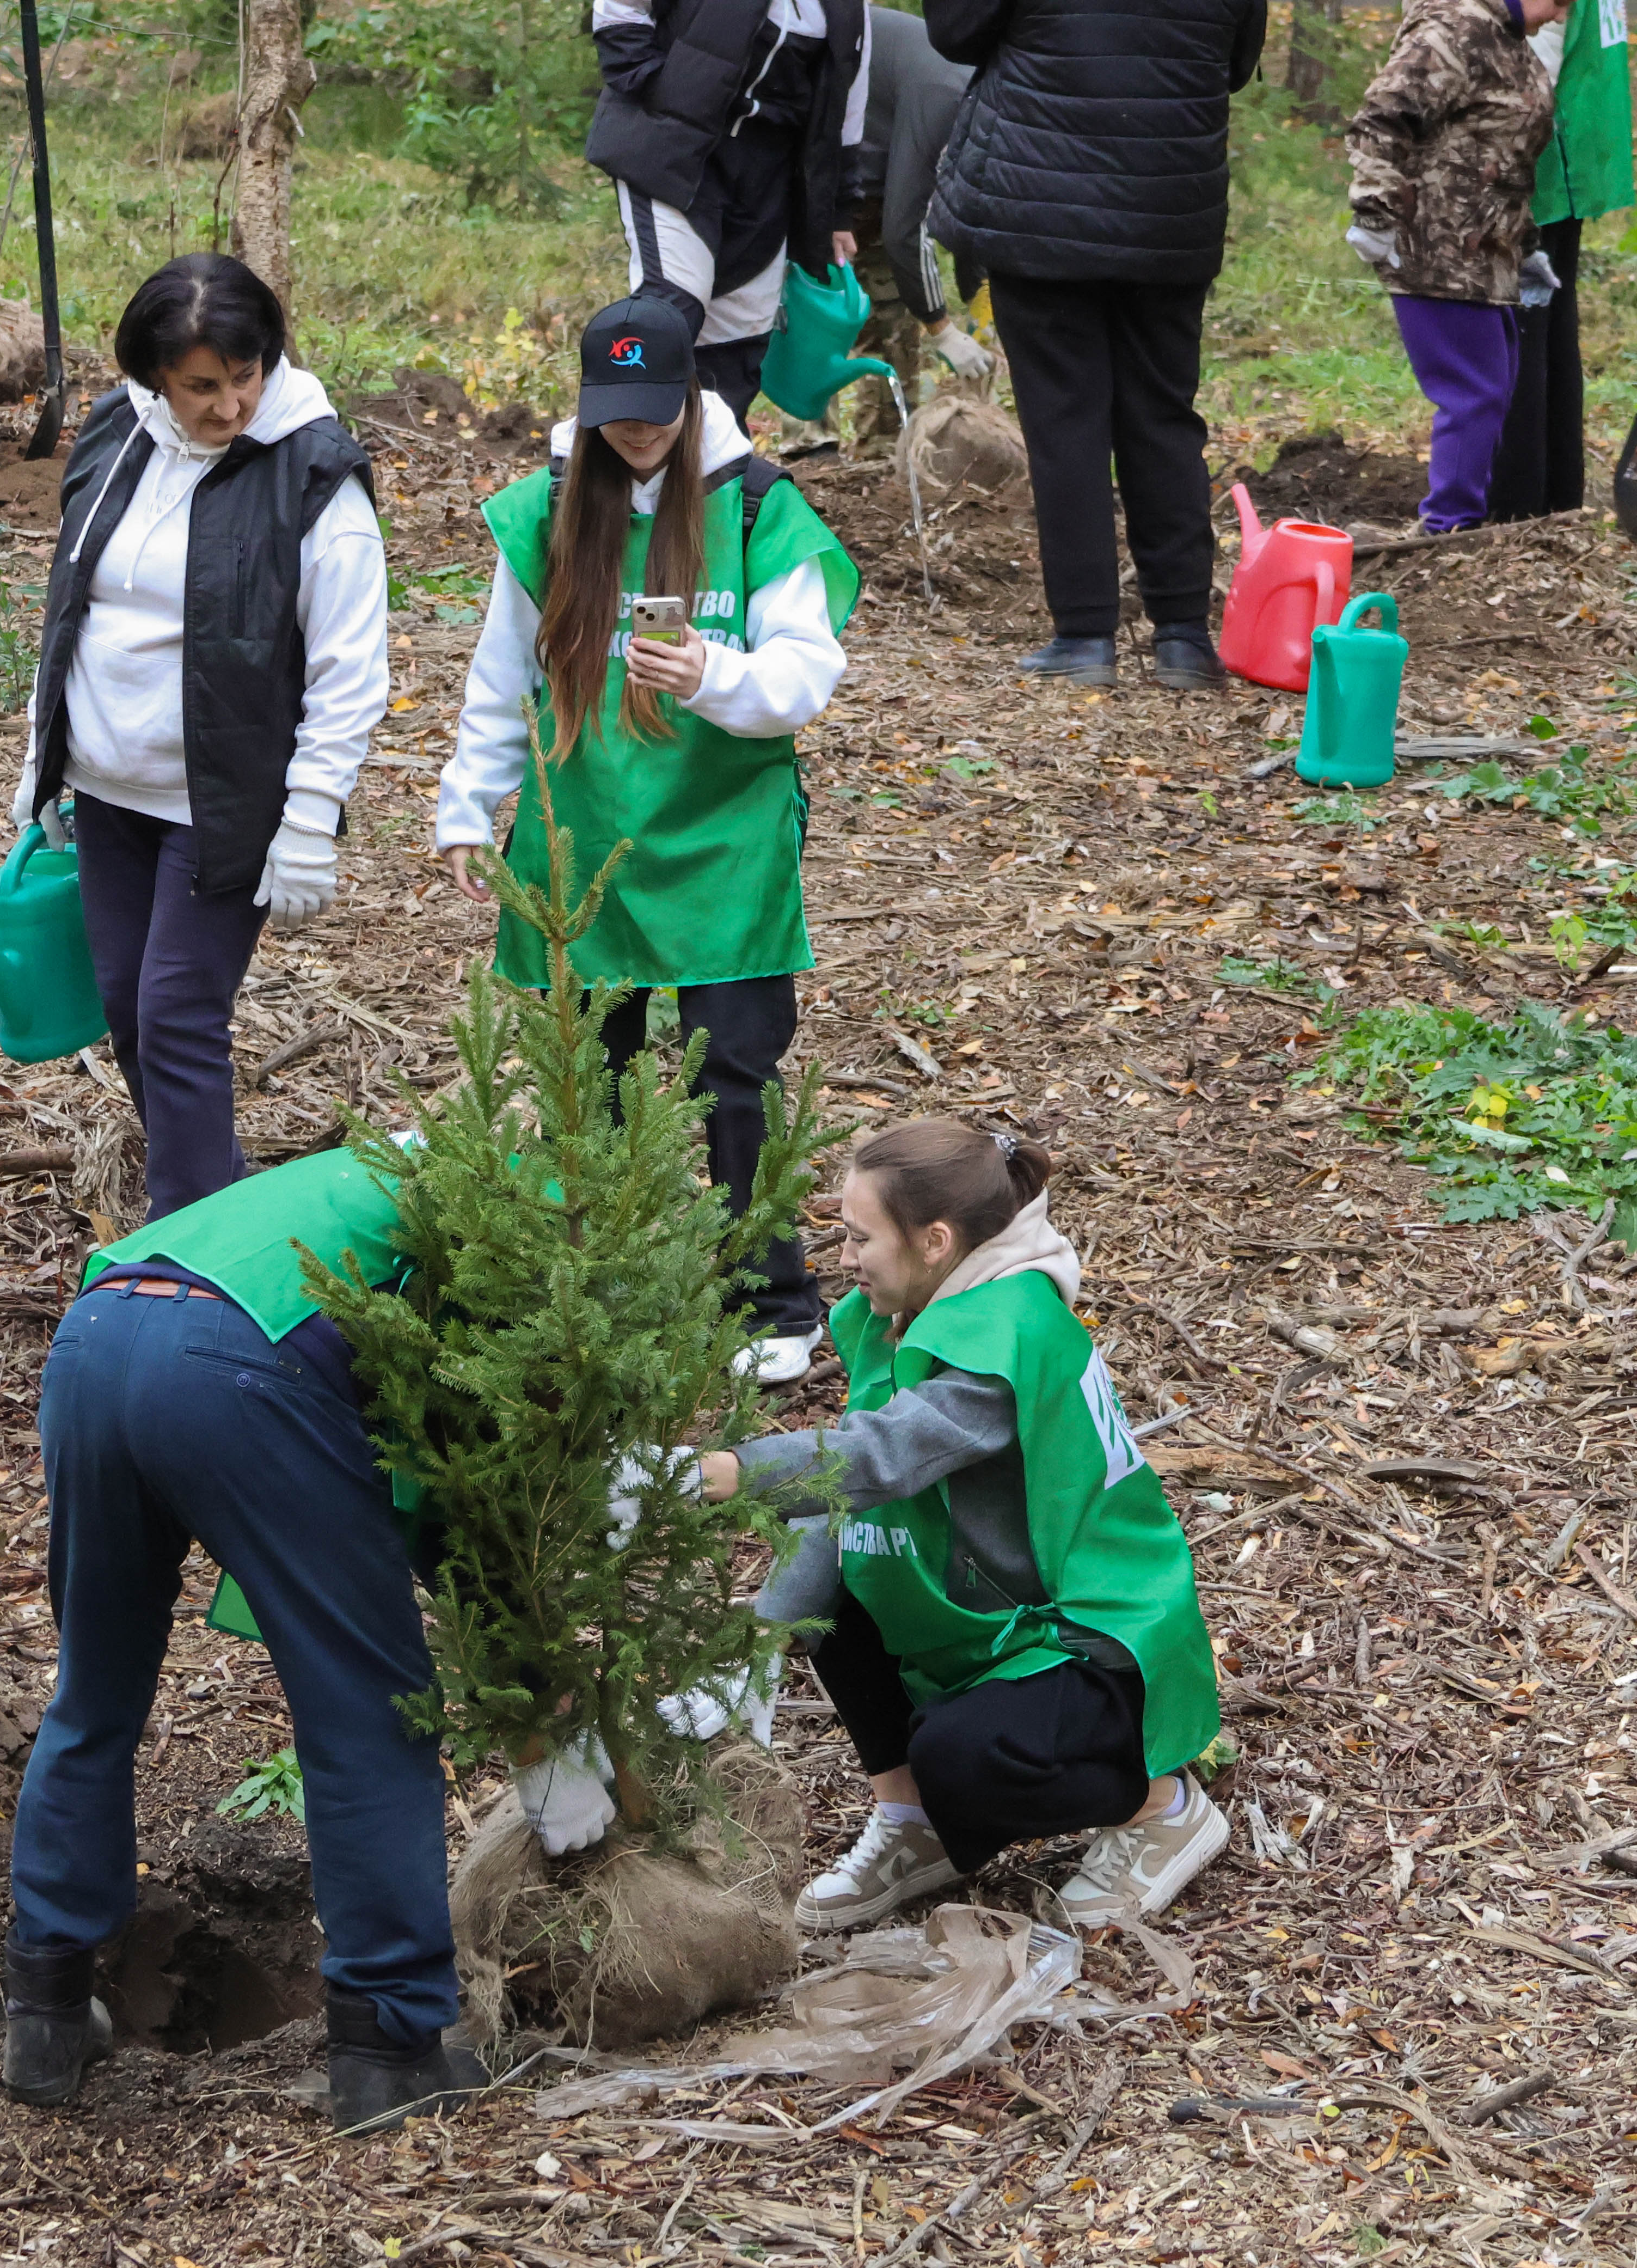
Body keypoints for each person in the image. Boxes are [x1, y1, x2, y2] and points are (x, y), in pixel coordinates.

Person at [3, 1147, 484, 2133]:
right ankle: (388, 2045)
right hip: (238, 1363)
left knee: (93, 1690)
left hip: (93, 1335)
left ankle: (44, 2013)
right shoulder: (508, 1222)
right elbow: (462, 1453)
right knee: (370, 1709)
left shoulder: (360, 1171)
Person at [433, 297, 857, 1387]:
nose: (638, 434)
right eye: (615, 414)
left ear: (689, 395)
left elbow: (807, 674)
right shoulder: (549, 512)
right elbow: (501, 679)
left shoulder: (759, 509)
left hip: (724, 837)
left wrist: (717, 678)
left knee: (733, 1075)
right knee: (597, 1069)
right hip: (589, 836)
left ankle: (769, 1295)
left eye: (656, 413)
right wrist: (464, 802)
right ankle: (613, 1277)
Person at [668, 1121, 1224, 1932]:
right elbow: (857, 1501)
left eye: (860, 1236)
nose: (843, 1256)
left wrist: (718, 1473)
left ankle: (1161, 1807)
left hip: (1101, 1643)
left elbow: (881, 1454)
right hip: (1004, 1602)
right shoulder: (912, 1307)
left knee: (965, 1759)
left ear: (934, 1240)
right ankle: (914, 1825)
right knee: (848, 1583)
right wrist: (768, 1636)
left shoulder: (1001, 1338)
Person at [9, 255, 389, 1221]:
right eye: (202, 386)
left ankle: (185, 1249)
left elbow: (350, 667)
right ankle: (221, 1206)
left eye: (247, 373)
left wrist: (308, 818)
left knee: (178, 1016)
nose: (232, 404)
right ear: (153, 380)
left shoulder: (314, 475)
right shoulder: (115, 435)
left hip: (220, 803)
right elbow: (72, 608)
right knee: (131, 1016)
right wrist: (43, 763)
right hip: (108, 789)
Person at [925, 0, 1268, 689]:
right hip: (1171, 205)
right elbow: (1237, 62)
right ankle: (1183, 637)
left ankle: (1084, 635)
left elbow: (954, 31)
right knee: (1165, 416)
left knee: (1065, 418)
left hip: (1040, 198)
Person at [588, 0, 874, 423]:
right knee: (673, 309)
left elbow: (847, 105)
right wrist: (645, 78)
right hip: (675, 152)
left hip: (768, 180)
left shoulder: (851, 8)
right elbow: (621, 8)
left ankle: (710, 476)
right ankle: (601, 460)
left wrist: (837, 211)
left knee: (740, 339)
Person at [1348, 0, 1565, 537]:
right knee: (1474, 391)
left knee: (1498, 384)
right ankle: (1449, 527)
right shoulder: (1454, 26)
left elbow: (1500, 155)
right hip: (1435, 244)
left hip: (1487, 251)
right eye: (1559, 1)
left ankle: (1459, 519)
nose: (1560, 14)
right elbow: (1385, 114)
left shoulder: (1505, 38)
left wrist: (1526, 245)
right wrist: (1374, 209)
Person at [1492, 0, 1637, 521]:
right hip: (1574, 143)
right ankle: (1555, 492)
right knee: (1548, 321)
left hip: (1538, 155)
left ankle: (1515, 501)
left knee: (1517, 327)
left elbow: (1536, 49)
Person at [849, 10, 993, 413]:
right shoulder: (946, 98)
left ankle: (887, 444)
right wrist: (943, 330)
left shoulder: (984, 111)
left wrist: (980, 302)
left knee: (891, 302)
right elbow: (904, 229)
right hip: (816, 162)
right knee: (818, 300)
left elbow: (970, 210)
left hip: (876, 152)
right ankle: (809, 439)